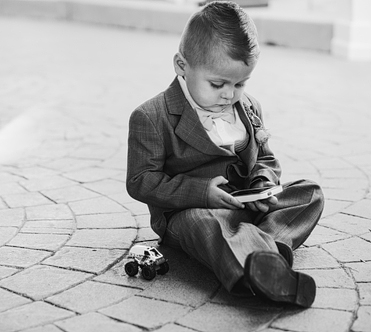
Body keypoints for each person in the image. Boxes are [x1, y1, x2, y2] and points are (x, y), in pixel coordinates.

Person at [126, 1, 323, 308]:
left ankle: (260, 256)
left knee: (309, 193)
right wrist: (201, 192)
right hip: (192, 211)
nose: (229, 94)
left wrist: (261, 183)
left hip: (246, 205)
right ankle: (256, 268)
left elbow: (266, 159)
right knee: (207, 225)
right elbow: (141, 181)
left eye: (240, 83)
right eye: (217, 84)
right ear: (181, 65)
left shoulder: (248, 107)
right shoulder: (152, 116)